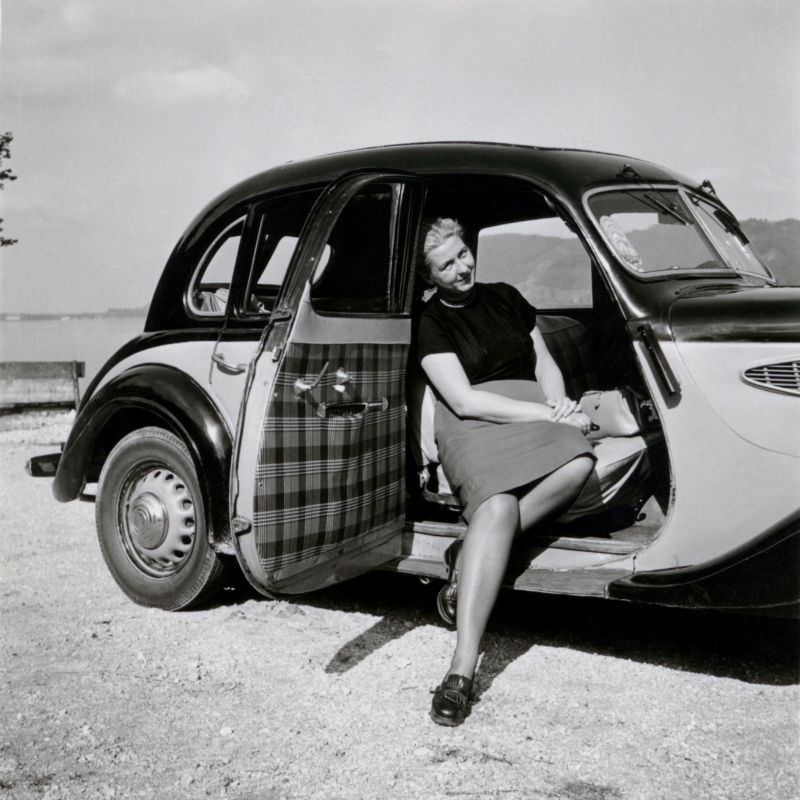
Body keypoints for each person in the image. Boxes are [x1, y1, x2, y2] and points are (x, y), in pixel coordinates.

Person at [416, 218, 596, 726]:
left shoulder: (506, 296)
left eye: (463, 253)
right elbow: (464, 399)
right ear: (430, 276)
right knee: (495, 505)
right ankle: (460, 671)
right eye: (446, 264)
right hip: (475, 423)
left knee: (579, 460)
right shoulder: (431, 321)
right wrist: (545, 414)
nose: (461, 267)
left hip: (532, 409)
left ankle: (471, 550)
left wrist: (558, 402)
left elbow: (543, 362)